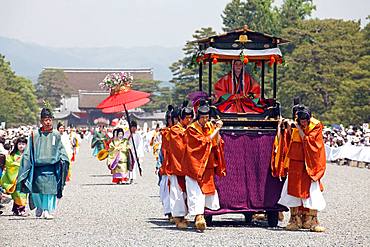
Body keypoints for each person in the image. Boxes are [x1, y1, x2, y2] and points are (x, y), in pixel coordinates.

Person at [278, 105, 326, 232]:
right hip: (296, 160)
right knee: (293, 189)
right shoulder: (294, 124)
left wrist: (298, 128)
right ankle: (295, 219)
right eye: (301, 120)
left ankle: (312, 220)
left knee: (312, 190)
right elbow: (289, 140)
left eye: (305, 119)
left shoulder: (316, 125)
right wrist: (288, 127)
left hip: (310, 163)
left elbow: (311, 142)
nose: (303, 122)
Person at [17, 108, 70, 220]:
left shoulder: (56, 134)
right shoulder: (34, 135)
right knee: (37, 190)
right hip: (37, 168)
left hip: (51, 167)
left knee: (50, 191)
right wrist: (24, 166)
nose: (48, 122)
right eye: (45, 120)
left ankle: (47, 210)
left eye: (50, 119)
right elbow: (28, 152)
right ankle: (39, 207)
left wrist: (64, 160)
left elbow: (61, 150)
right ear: (41, 121)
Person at [182, 101, 226, 232]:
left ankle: (202, 217)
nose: (205, 120)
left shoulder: (209, 126)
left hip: (207, 164)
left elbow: (216, 142)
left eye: (207, 117)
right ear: (198, 116)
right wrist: (217, 129)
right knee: (195, 191)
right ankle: (199, 217)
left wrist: (216, 131)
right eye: (202, 117)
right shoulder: (192, 128)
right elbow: (204, 142)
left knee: (205, 192)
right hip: (194, 165)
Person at [168, 102, 194, 229]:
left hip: (188, 166)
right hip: (178, 165)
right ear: (180, 118)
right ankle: (178, 217)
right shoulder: (175, 130)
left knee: (187, 191)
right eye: (186, 118)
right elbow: (180, 148)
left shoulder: (189, 129)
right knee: (177, 191)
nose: (188, 120)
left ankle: (185, 215)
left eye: (190, 118)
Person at [0, 137, 28, 216]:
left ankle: (17, 209)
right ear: (16, 145)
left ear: (26, 145)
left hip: (25, 177)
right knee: (17, 193)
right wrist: (17, 165)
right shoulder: (13, 155)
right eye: (19, 144)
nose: (21, 146)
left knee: (23, 193)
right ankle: (20, 209)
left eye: (23, 144)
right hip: (15, 177)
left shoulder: (28, 155)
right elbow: (9, 164)